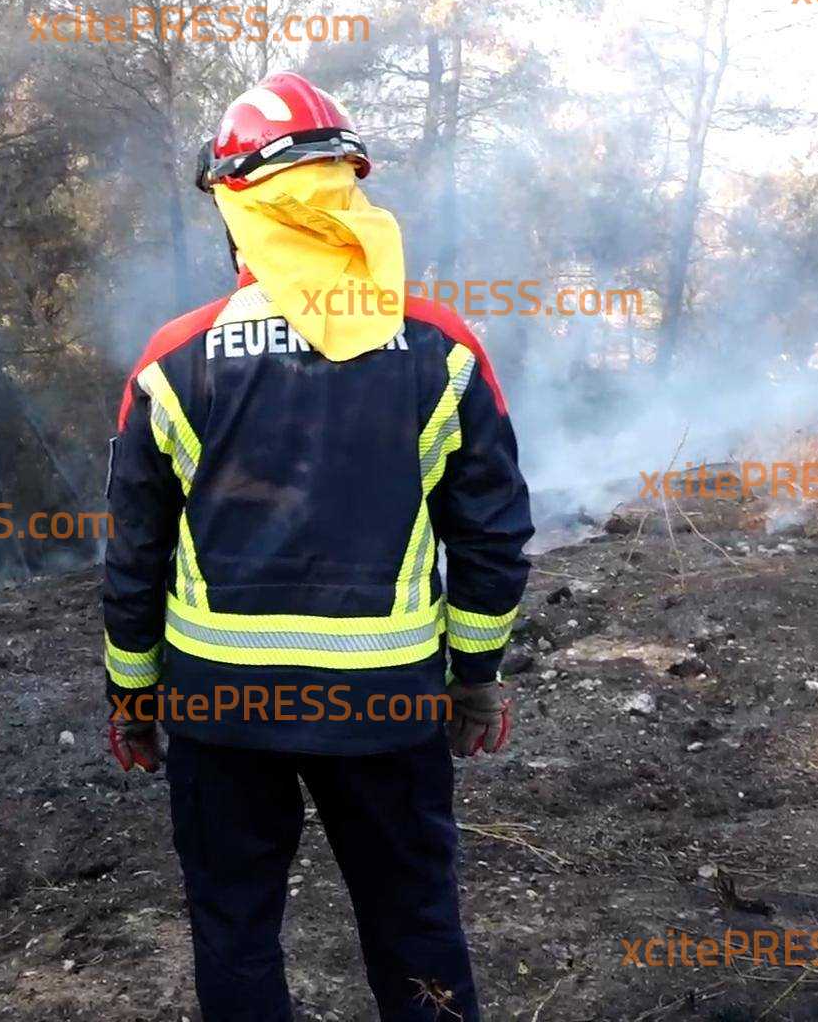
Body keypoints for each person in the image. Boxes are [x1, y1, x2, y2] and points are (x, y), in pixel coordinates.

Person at [101, 72, 533, 1021]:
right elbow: (492, 534)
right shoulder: (440, 345)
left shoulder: (174, 359)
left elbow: (133, 552)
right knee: (417, 930)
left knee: (235, 935)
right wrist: (475, 677)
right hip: (386, 706)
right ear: (347, 197)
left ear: (234, 208)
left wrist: (132, 698)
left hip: (220, 710)